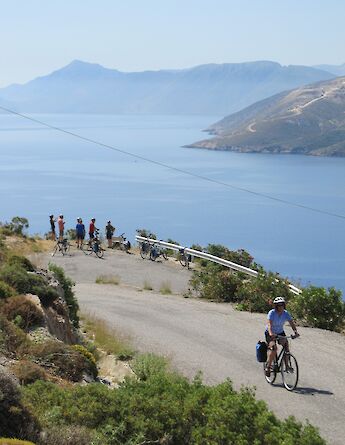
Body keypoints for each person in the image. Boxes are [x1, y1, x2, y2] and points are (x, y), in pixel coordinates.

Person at [264, 296, 299, 377]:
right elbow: (269, 324)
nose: (281, 307)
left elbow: (291, 323)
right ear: (276, 306)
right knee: (274, 348)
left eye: (282, 305)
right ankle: (268, 367)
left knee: (286, 347)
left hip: (280, 332)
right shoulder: (272, 313)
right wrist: (271, 333)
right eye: (279, 305)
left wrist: (295, 332)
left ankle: (286, 366)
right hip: (270, 332)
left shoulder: (286, 313)